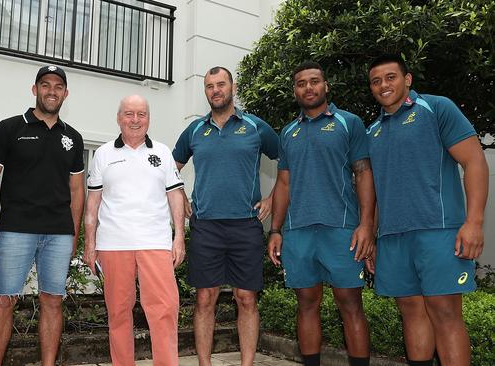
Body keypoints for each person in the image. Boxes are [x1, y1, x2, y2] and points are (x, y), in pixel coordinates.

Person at [366, 54, 488, 366]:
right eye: (376, 81)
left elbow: (474, 161)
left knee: (444, 311)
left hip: (439, 231)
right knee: (410, 310)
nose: (384, 85)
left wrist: (474, 222)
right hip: (393, 237)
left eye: (391, 77)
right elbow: (376, 192)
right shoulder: (373, 131)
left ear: (407, 80)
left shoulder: (436, 108)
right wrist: (373, 236)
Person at [0, 65, 85, 366]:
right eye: (46, 85)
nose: (52, 91)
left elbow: (77, 192)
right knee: (4, 300)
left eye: (58, 86)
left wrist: (74, 234)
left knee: (52, 301)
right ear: (35, 89)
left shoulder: (72, 138)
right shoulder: (10, 128)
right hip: (17, 230)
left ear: (65, 93)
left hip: (59, 234)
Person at [267, 61, 374, 366]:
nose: (309, 87)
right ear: (294, 90)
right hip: (298, 231)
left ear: (326, 86)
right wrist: (275, 230)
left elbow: (363, 174)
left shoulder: (349, 123)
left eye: (314, 81)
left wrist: (366, 225)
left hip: (341, 229)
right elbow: (284, 182)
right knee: (306, 303)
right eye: (302, 83)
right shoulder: (288, 132)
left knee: (350, 304)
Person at [172, 66, 279, 366]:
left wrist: (272, 198)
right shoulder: (194, 130)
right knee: (205, 299)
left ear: (233, 88)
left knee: (246, 298)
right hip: (205, 227)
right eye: (209, 86)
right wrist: (179, 193)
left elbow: (288, 160)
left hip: (246, 225)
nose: (215, 90)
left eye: (221, 84)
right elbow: (168, 168)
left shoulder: (255, 126)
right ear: (205, 91)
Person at [83, 94, 185, 366]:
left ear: (148, 119)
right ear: (118, 118)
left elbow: (176, 197)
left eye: (141, 114)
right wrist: (89, 244)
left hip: (155, 242)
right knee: (117, 312)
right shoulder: (103, 154)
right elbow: (92, 203)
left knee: (164, 310)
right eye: (129, 114)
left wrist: (179, 238)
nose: (135, 120)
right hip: (113, 244)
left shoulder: (163, 153)